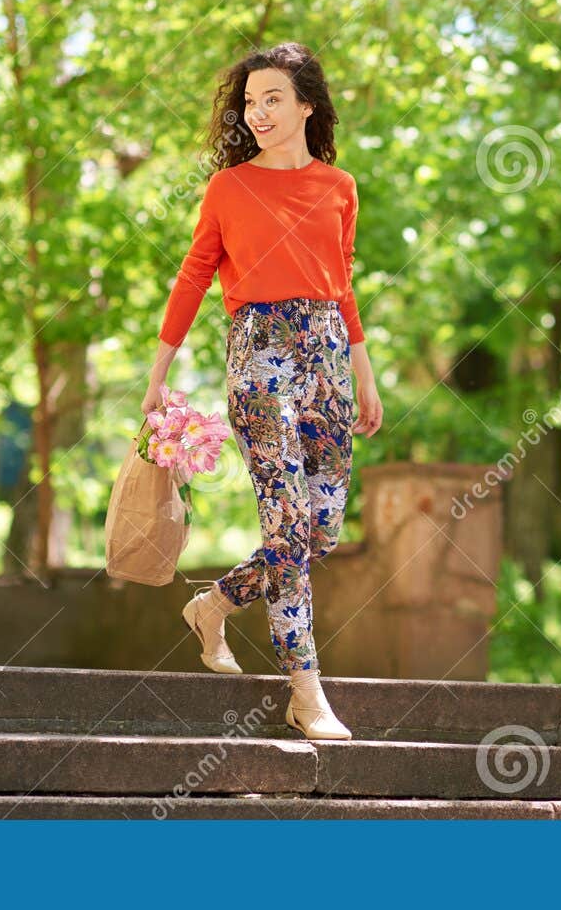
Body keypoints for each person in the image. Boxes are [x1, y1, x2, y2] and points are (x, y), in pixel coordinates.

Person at [142, 41, 383, 741]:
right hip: (260, 353)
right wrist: (159, 371)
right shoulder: (229, 188)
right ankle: (305, 691)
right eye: (249, 103)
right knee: (286, 524)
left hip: (329, 356)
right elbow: (192, 277)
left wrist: (363, 372)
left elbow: (341, 282)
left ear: (307, 103)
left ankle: (215, 603)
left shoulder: (339, 187)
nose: (258, 113)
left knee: (320, 530)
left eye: (273, 98)